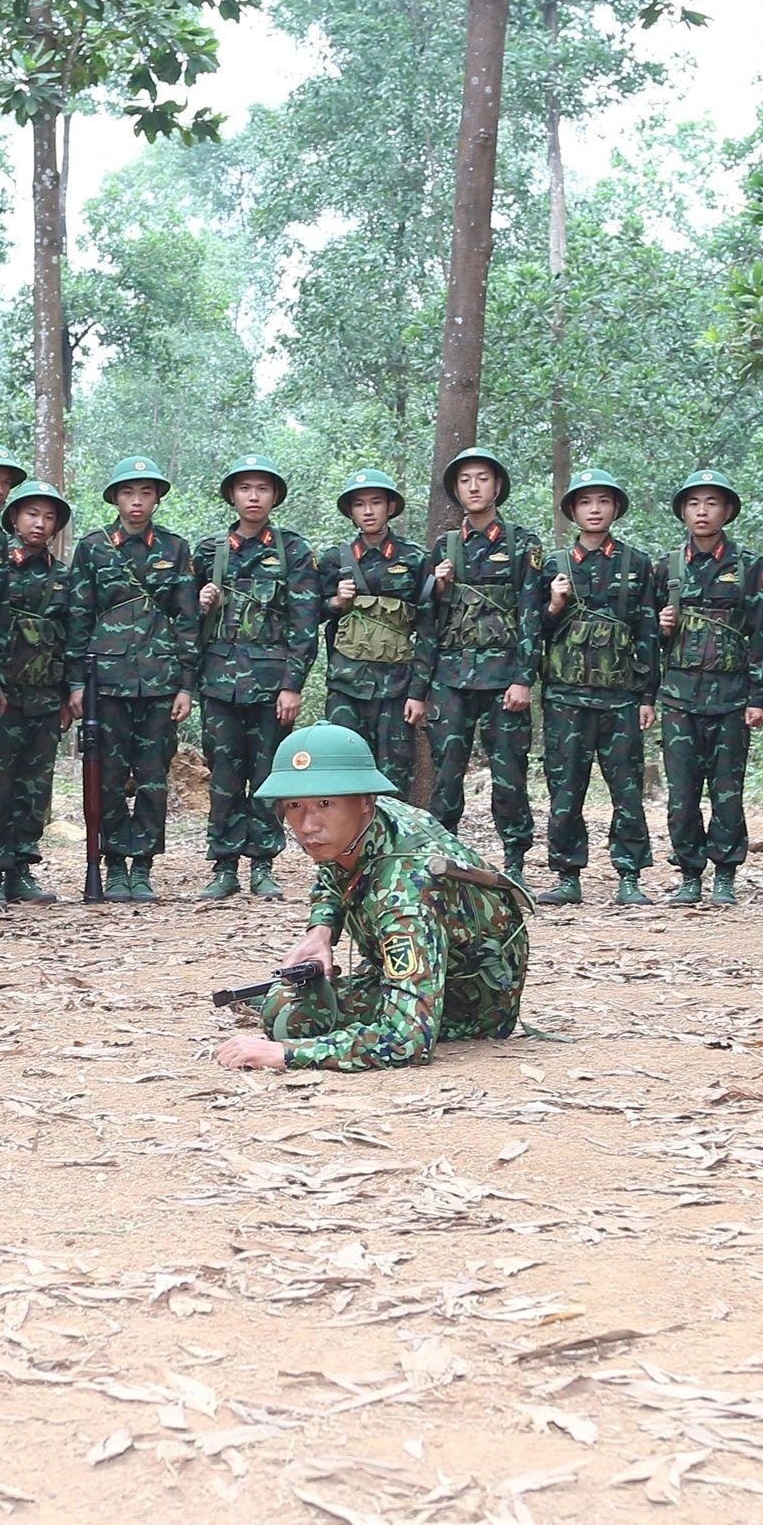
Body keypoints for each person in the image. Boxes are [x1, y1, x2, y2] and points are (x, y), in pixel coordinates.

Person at [212, 724, 530, 1073]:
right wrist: (321, 931)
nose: (307, 825)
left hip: (469, 1003)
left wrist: (285, 1054)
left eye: (325, 803)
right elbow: (332, 875)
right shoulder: (367, 823)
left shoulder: (406, 894)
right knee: (288, 1003)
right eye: (293, 805)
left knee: (290, 1018)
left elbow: (407, 1041)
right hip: (420, 969)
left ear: (366, 801)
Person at [64, 456, 198, 900]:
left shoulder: (176, 549)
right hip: (106, 682)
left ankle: (141, 866)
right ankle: (114, 863)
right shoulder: (94, 547)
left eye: (145, 493)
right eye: (127, 493)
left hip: (160, 681)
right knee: (108, 775)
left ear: (157, 498)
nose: (136, 502)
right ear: (115, 499)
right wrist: (76, 684)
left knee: (152, 776)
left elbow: (186, 618)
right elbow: (78, 616)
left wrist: (186, 685)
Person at [192, 458, 320, 900]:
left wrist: (293, 685)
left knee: (269, 774)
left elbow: (305, 623)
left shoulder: (294, 551)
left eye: (262, 489)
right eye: (244, 488)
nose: (253, 496)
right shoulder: (209, 551)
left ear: (274, 497)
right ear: (232, 495)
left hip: (271, 683)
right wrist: (200, 601)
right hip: (218, 680)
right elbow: (187, 620)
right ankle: (224, 865)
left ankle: (263, 863)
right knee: (224, 772)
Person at [535, 469, 663, 906]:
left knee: (626, 788)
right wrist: (554, 604)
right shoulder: (553, 564)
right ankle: (567, 875)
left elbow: (647, 633)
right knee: (565, 789)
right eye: (586, 502)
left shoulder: (636, 563)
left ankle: (629, 875)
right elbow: (534, 630)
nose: (594, 509)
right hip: (565, 698)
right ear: (573, 510)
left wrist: (648, 696)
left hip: (620, 697)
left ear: (615, 509)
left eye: (603, 502)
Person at [419, 449, 546, 877]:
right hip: (450, 678)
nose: (473, 487)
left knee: (508, 772)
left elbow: (531, 614)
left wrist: (524, 678)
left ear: (497, 487)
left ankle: (514, 858)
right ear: (456, 490)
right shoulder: (444, 547)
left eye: (482, 479)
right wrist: (438, 588)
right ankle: (443, 855)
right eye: (465, 480)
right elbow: (430, 624)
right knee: (447, 772)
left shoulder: (522, 544)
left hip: (503, 678)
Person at [655, 470, 763, 906]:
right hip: (679, 698)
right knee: (682, 794)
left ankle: (725, 874)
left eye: (712, 504)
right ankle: (689, 874)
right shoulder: (666, 566)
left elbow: (762, 636)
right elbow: (649, 641)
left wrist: (757, 699)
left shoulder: (749, 566)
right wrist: (661, 628)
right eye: (693, 504)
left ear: (727, 512)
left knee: (727, 791)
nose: (702, 512)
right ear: (683, 511)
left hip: (731, 698)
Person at [0, 481, 77, 903]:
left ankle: (22, 866)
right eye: (32, 514)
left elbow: (73, 637)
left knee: (35, 785)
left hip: (45, 697)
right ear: (14, 518)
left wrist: (70, 691)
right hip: (2, 695)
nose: (40, 523)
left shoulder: (64, 576)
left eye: (49, 516)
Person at [316, 469, 429, 796]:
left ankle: (391, 846)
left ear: (390, 507)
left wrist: (418, 692)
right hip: (345, 687)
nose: (368, 511)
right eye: (360, 504)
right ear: (350, 511)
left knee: (394, 778)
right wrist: (336, 601)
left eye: (376, 502)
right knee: (343, 772)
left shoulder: (414, 558)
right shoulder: (333, 560)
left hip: (396, 689)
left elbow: (428, 628)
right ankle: (346, 847)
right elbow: (308, 615)